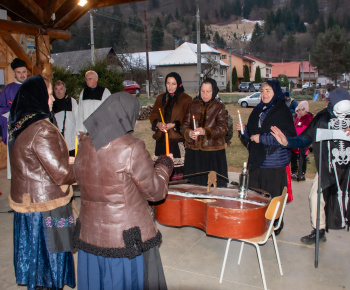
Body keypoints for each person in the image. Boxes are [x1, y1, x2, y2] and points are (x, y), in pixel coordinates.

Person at [74, 92, 173, 290]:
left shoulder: (85, 144)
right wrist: (164, 164)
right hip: (124, 242)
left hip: (90, 237)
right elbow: (155, 192)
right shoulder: (132, 147)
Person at [8, 75, 76, 290]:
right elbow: (62, 174)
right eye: (48, 95)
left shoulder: (21, 126)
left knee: (36, 261)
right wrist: (84, 165)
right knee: (50, 259)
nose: (52, 100)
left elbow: (36, 162)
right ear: (37, 96)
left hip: (30, 207)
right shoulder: (42, 129)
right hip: (47, 210)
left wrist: (65, 159)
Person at [271, 87, 350, 244]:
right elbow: (304, 139)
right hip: (329, 167)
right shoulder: (322, 118)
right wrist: (287, 142)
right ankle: (319, 230)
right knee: (315, 196)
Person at [181, 78, 228, 187]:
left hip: (213, 153)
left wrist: (205, 131)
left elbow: (223, 128)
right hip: (194, 153)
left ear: (214, 92)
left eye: (208, 91)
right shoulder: (192, 105)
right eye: (202, 91)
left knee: (212, 187)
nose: (205, 94)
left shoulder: (219, 107)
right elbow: (184, 125)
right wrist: (189, 133)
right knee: (194, 186)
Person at [149, 72, 192, 181]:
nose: (170, 86)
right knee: (160, 172)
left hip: (176, 141)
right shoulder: (161, 98)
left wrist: (174, 125)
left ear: (179, 84)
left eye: (173, 83)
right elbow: (154, 114)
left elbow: (189, 119)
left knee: (176, 175)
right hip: (161, 141)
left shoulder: (186, 99)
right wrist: (158, 123)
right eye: (168, 83)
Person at [0, 58, 27, 145]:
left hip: (30, 132)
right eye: (19, 72)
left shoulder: (33, 87)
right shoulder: (8, 89)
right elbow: (1, 109)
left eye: (24, 71)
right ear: (14, 74)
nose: (22, 75)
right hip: (13, 132)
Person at [76, 70, 111, 138]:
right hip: (87, 131)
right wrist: (81, 129)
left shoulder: (105, 92)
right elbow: (80, 112)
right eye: (86, 79)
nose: (87, 81)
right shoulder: (83, 92)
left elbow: (109, 111)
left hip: (101, 130)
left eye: (90, 79)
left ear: (96, 79)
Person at [53, 80, 78, 157]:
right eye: (56, 89)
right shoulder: (52, 103)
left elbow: (77, 117)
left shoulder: (71, 101)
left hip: (71, 139)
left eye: (60, 89)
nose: (58, 91)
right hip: (58, 140)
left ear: (65, 90)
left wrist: (78, 133)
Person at [290, 101, 314, 181]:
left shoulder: (308, 119)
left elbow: (308, 131)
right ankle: (294, 171)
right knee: (293, 156)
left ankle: (301, 173)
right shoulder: (297, 118)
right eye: (298, 110)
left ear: (306, 110)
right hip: (295, 140)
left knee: (302, 157)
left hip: (303, 141)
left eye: (301, 110)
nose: (299, 112)